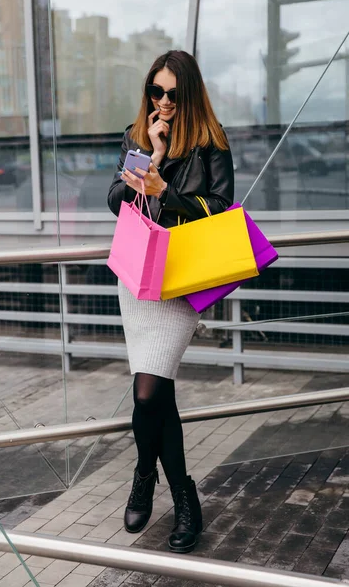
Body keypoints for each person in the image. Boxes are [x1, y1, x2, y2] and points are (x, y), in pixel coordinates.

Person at [108, 50, 234, 554]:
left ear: (190, 94)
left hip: (182, 280)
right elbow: (117, 199)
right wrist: (153, 158)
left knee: (146, 393)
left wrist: (170, 192)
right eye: (154, 93)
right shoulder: (139, 135)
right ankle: (182, 498)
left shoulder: (211, 141)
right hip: (139, 278)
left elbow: (222, 208)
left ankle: (148, 472)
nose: (163, 102)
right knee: (158, 396)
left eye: (172, 95)